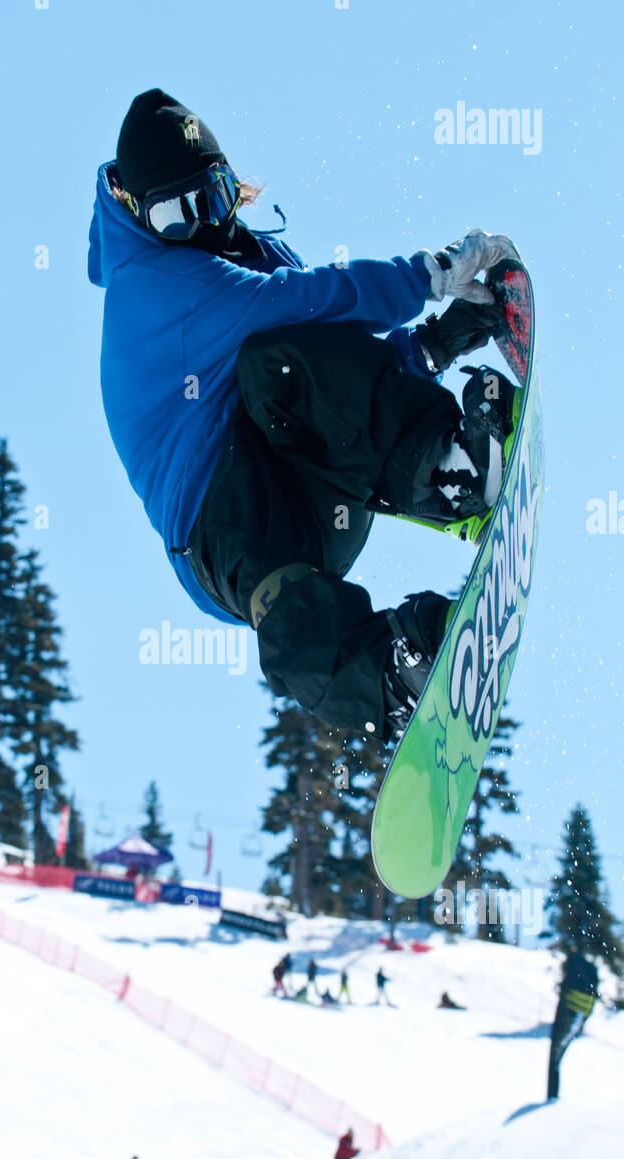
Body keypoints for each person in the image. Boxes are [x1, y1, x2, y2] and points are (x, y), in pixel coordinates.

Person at [89, 89, 519, 745]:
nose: (203, 223)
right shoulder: (150, 283)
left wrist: (436, 343)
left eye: (215, 198)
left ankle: (445, 468)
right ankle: (385, 675)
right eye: (178, 215)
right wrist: (430, 275)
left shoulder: (244, 253)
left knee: (285, 362)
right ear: (135, 209)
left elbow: (342, 372)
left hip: (309, 488)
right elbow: (311, 298)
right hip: (224, 532)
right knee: (274, 361)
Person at [547, 947, 599, 1101]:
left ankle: (551, 1097)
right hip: (582, 1006)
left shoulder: (576, 959)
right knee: (556, 1054)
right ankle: (552, 1095)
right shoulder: (586, 965)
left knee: (555, 1055)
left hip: (571, 1005)